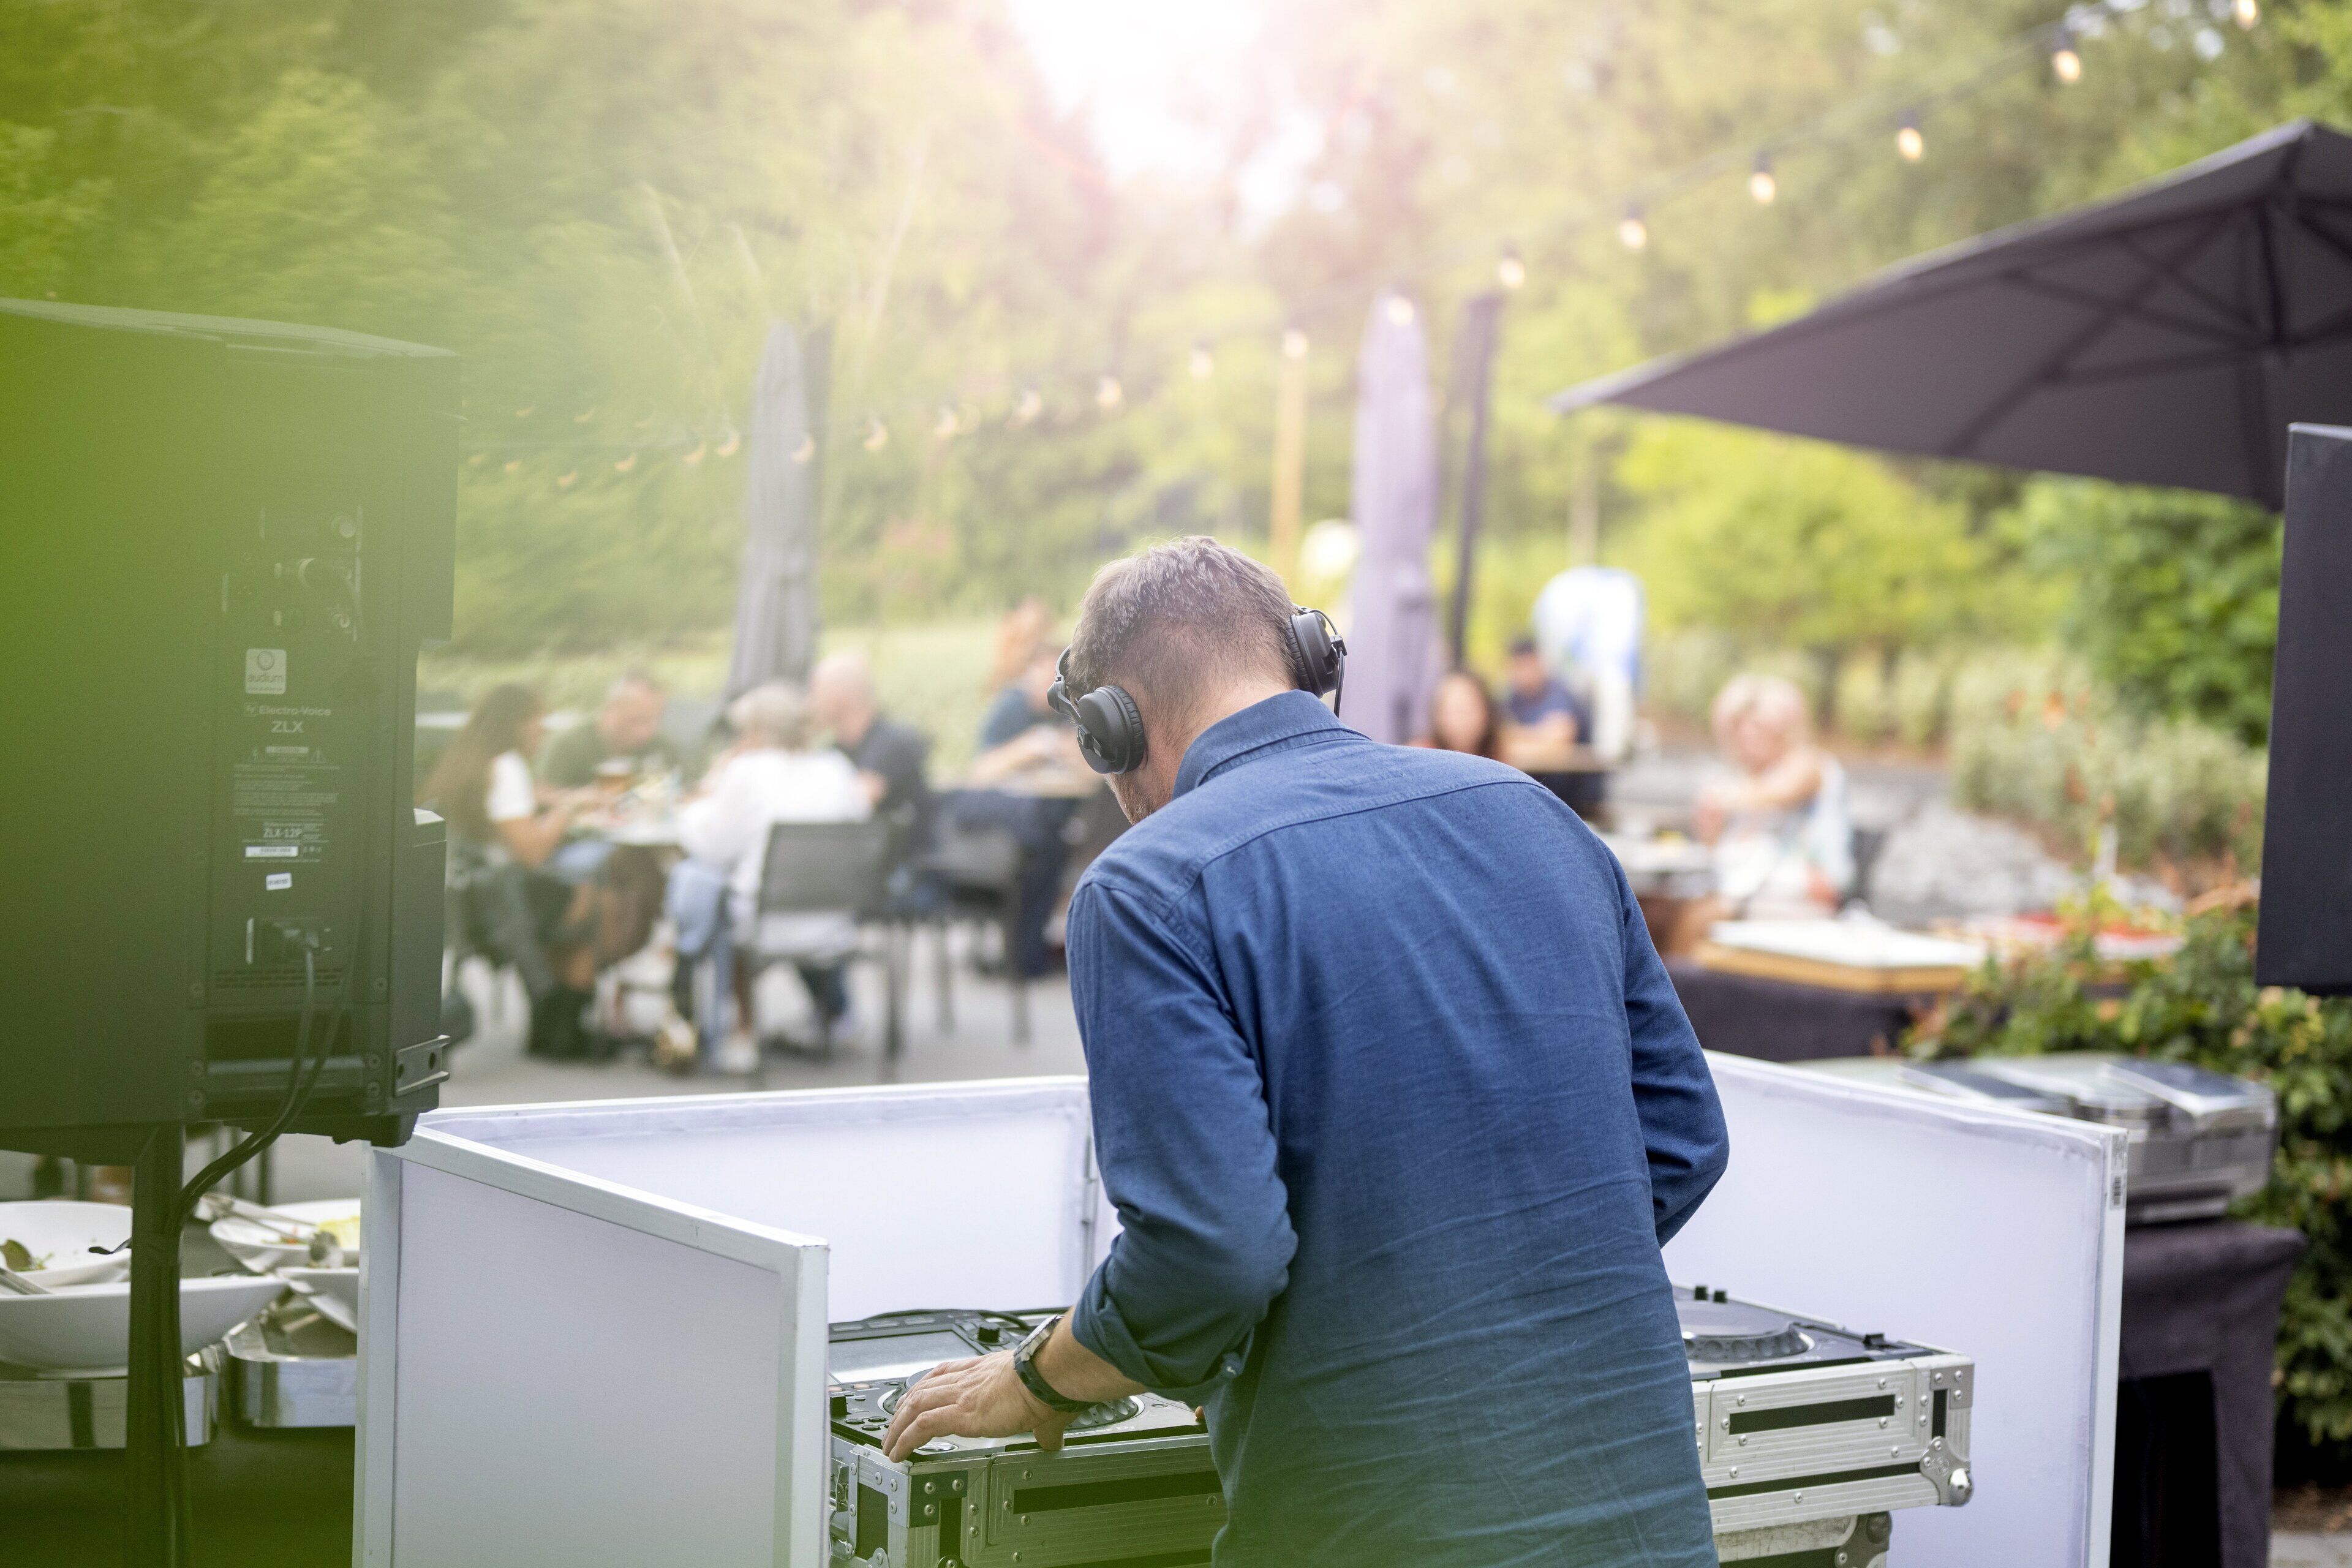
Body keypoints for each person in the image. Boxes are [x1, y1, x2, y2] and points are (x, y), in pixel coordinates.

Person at [880, 537, 1729, 1567]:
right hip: (1643, 1517)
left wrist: (1039, 1378)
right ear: (1307, 659)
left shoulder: (1146, 889)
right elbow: (1682, 1140)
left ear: (1110, 728)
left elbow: (1210, 1257)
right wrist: (1479, 1293)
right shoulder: (1533, 813)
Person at [671, 680, 870, 1071]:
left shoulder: (746, 772)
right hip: (836, 922)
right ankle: (828, 1016)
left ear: (758, 733)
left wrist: (701, 796)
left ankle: (736, 1032)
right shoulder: (837, 768)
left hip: (765, 923)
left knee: (711, 895)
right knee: (737, 892)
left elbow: (710, 847)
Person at [419, 683, 625, 1059]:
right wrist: (568, 812)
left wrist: (555, 799)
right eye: (538, 720)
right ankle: (562, 1025)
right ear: (517, 725)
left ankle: (551, 1024)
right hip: (499, 905)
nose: (543, 730)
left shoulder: (471, 762)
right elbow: (532, 852)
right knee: (599, 905)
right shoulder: (507, 765)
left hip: (466, 899)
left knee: (574, 900)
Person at [1684, 673, 1854, 938]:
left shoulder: (1810, 765)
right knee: (1653, 911)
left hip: (1805, 891)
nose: (1748, 739)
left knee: (1696, 918)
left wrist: (1724, 797)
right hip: (1751, 887)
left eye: (1758, 729)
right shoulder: (1744, 780)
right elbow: (1715, 849)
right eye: (1740, 730)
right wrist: (1711, 823)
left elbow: (1780, 791)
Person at [809, 649, 932, 835]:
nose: (811, 703)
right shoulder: (833, 752)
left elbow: (856, 803)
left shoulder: (894, 742)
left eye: (815, 692)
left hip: (906, 859)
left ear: (839, 696)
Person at [539, 671, 675, 789]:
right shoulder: (569, 744)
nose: (647, 731)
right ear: (611, 710)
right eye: (636, 720)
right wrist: (574, 798)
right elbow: (538, 792)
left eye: (655, 720)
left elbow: (686, 788)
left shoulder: (659, 744)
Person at [1501, 633, 1588, 747]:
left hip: (1573, 763)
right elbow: (1500, 735)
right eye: (1518, 667)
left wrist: (1518, 734)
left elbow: (1561, 736)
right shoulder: (1513, 699)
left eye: (1528, 665)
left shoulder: (1557, 692)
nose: (1525, 674)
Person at [1412, 668, 1503, 760]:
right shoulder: (1420, 755)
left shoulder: (1505, 754)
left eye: (1467, 710)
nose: (1460, 720)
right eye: (1453, 711)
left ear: (1486, 712)